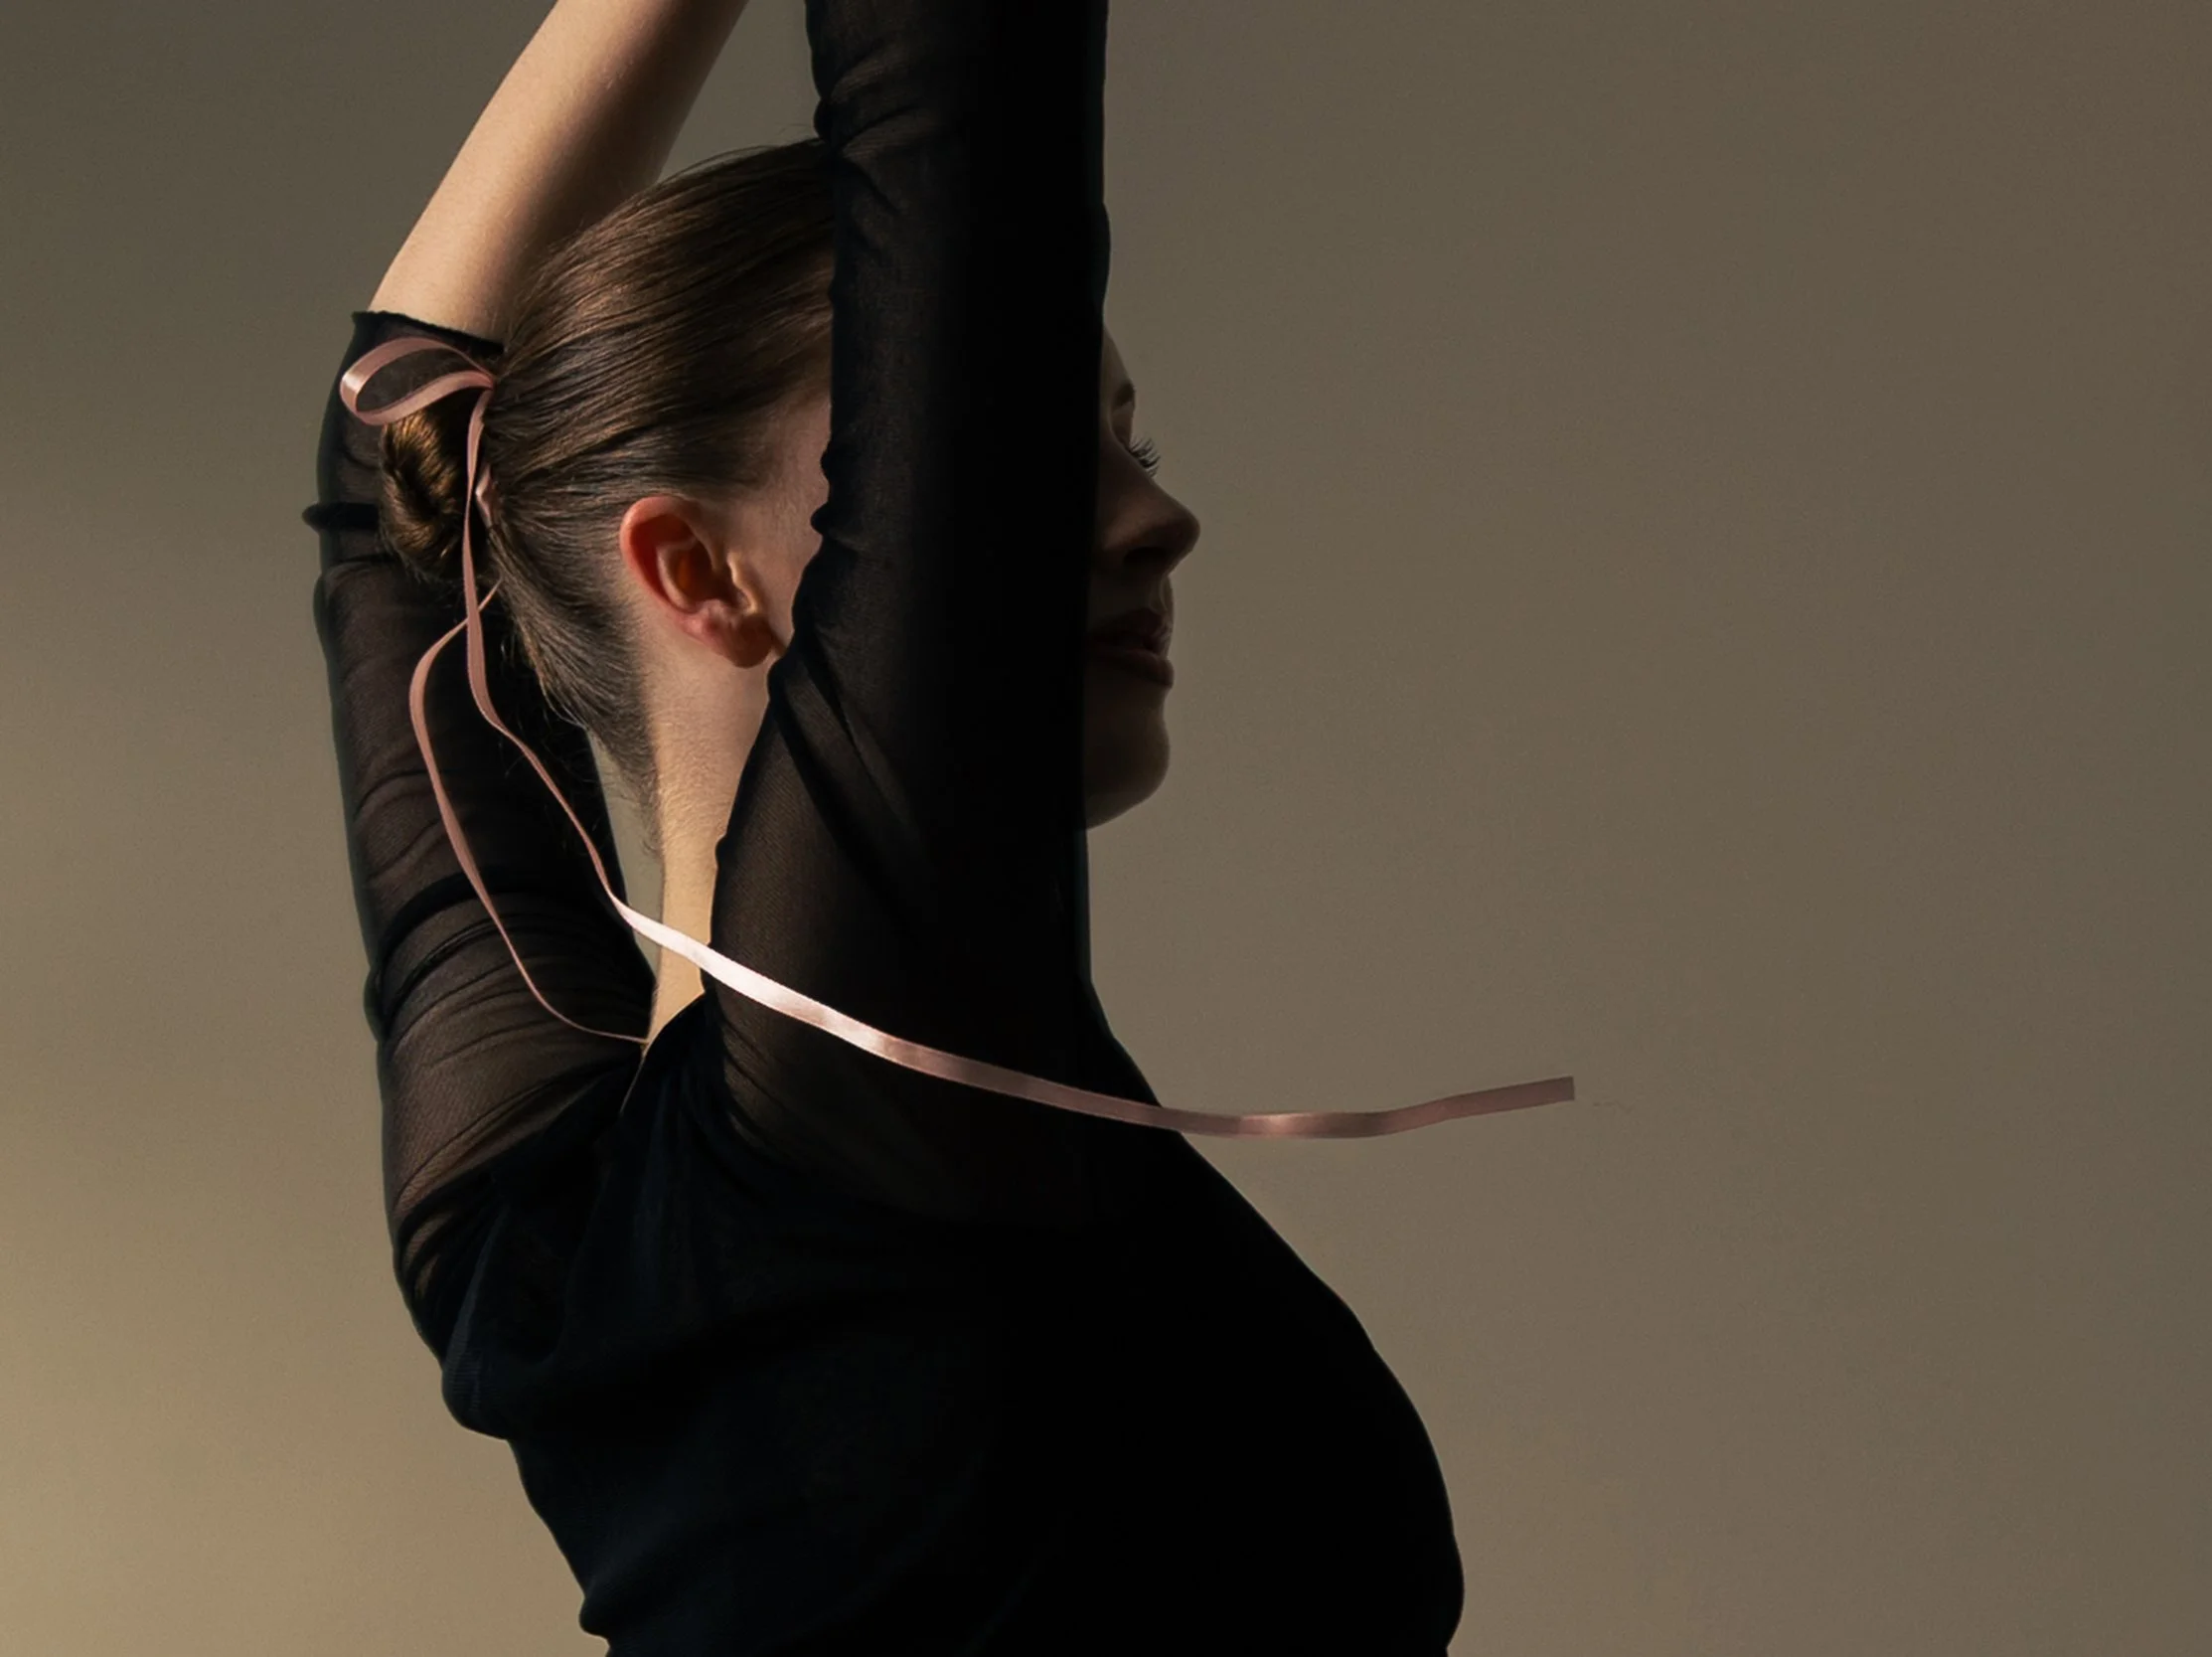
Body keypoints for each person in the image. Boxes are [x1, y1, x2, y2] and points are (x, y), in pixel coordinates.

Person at [303, 2, 1530, 1650]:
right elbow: (962, 96)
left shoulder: (530, 1233)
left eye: (1115, 441)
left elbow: (397, 462)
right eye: (1026, 446)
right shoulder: (859, 1049)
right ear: (692, 570)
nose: (1158, 517)